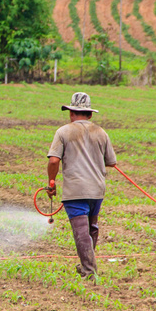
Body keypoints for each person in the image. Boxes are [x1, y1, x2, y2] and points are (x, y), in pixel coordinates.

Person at [45, 92, 117, 277]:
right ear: (90, 114)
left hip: (75, 190)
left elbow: (54, 161)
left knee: (81, 231)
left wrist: (51, 182)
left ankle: (89, 270)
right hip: (97, 190)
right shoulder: (101, 132)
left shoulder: (63, 132)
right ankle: (88, 264)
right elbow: (111, 161)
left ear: (71, 113)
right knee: (92, 227)